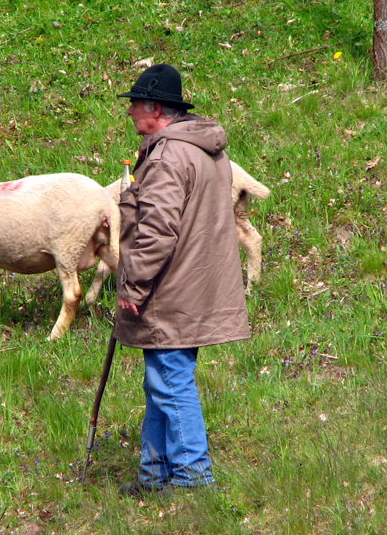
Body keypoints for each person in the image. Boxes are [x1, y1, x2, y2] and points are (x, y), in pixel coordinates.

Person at [112, 64, 250, 496]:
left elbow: (157, 231)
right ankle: (154, 476)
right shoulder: (206, 150)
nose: (130, 111)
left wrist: (132, 286)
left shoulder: (170, 155)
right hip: (197, 285)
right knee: (162, 380)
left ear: (155, 108)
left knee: (171, 381)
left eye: (135, 103)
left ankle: (193, 476)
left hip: (171, 290)